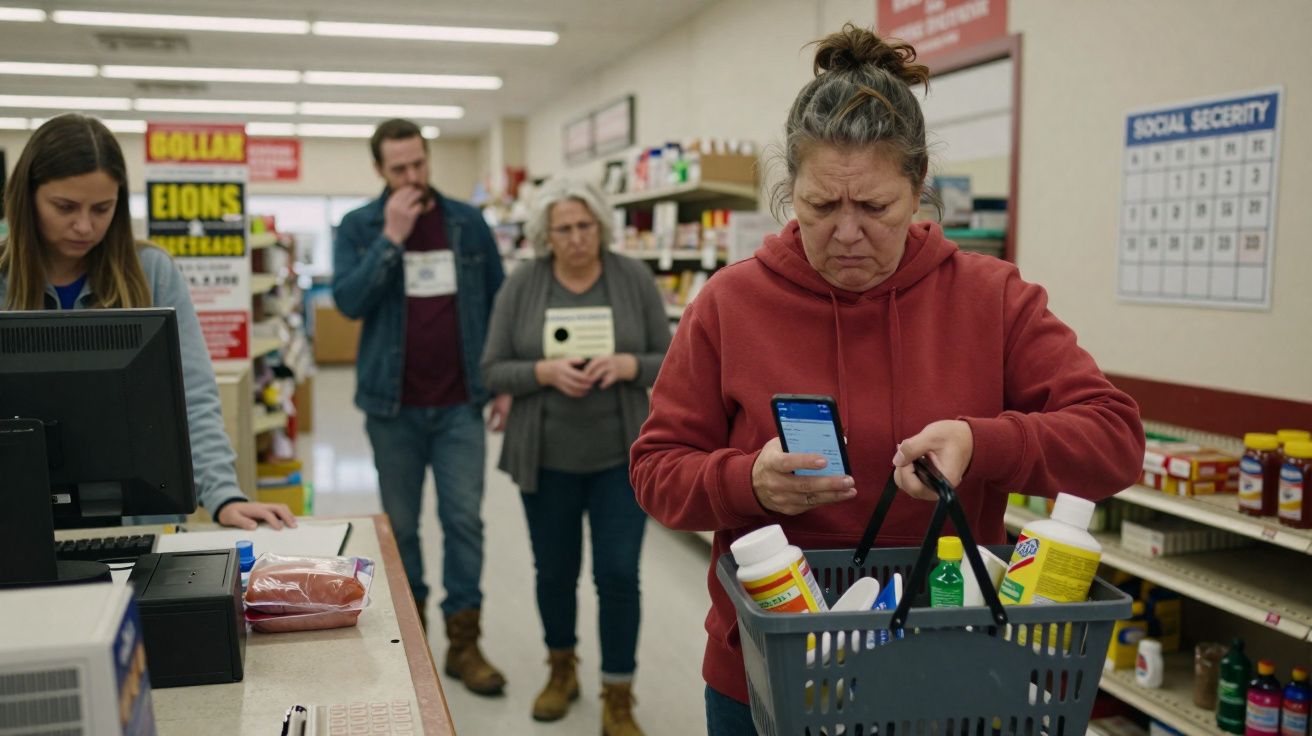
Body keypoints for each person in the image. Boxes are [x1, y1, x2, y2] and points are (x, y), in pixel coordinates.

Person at [628, 25, 1146, 735]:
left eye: (874, 208)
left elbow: (1115, 441)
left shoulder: (991, 298)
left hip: (948, 669)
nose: (845, 233)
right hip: (770, 673)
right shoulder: (729, 303)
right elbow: (656, 471)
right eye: (819, 207)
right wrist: (746, 482)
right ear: (790, 192)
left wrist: (982, 442)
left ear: (919, 189)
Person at [0, 113, 297, 531]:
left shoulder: (152, 271)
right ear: (26, 197)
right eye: (65, 207)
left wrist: (224, 494)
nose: (85, 225)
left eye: (102, 208)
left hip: (143, 519)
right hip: (22, 521)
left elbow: (191, 394)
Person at [482, 178, 670, 735]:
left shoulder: (632, 277)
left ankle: (619, 693)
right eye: (563, 228)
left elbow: (669, 356)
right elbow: (492, 368)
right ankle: (560, 669)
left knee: (617, 575)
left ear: (601, 227)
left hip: (621, 457)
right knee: (555, 573)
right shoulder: (523, 284)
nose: (576, 238)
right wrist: (542, 372)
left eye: (585, 226)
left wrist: (629, 366)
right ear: (546, 234)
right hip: (545, 459)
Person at [332, 118, 509, 696]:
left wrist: (502, 379)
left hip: (460, 404)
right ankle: (414, 639)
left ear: (427, 159)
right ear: (380, 170)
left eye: (418, 164)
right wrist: (392, 237)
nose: (412, 177)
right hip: (393, 408)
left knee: (464, 522)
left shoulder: (467, 221)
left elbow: (499, 301)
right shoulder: (359, 226)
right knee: (401, 529)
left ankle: (464, 642)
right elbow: (349, 302)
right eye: (399, 168)